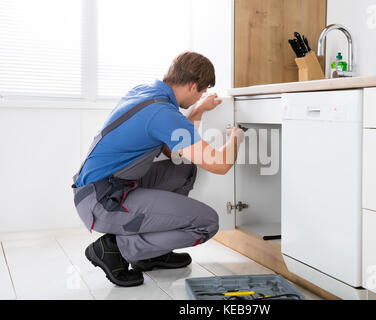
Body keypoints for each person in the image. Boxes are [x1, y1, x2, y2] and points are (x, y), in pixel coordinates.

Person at [71, 51, 245, 287]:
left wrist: (197, 112)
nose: (201, 96)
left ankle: (151, 254)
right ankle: (117, 249)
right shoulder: (164, 113)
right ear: (193, 86)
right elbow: (220, 164)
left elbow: (169, 151)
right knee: (207, 223)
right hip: (103, 202)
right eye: (202, 91)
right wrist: (236, 137)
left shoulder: (147, 93)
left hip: (105, 187)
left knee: (184, 170)